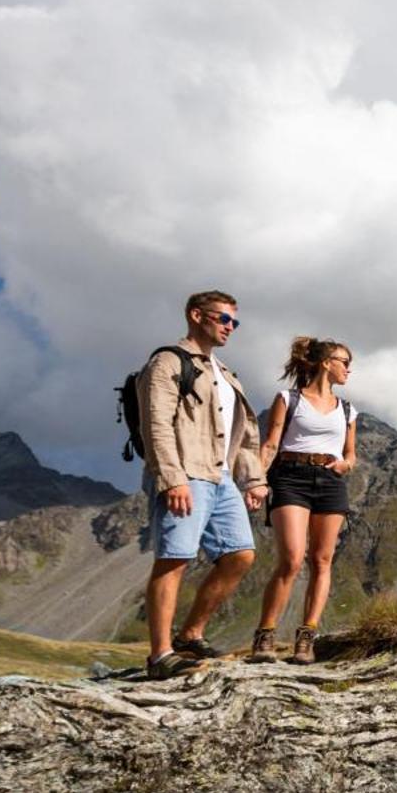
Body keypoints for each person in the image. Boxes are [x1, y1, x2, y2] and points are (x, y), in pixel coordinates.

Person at [136, 290, 268, 677]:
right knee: (175, 557)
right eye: (224, 319)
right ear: (197, 315)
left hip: (222, 476)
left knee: (240, 554)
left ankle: (191, 634)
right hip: (187, 472)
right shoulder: (167, 362)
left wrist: (254, 480)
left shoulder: (226, 374)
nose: (230, 327)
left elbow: (243, 435)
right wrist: (172, 478)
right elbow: (155, 424)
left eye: (234, 322)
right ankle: (160, 655)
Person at [248, 337, 358, 665]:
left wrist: (345, 464)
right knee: (292, 559)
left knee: (322, 561)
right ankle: (265, 635)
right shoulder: (288, 399)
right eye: (344, 362)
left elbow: (352, 454)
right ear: (326, 362)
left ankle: (306, 639)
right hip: (290, 477)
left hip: (330, 482)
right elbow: (270, 444)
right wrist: (256, 481)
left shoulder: (349, 409)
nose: (348, 370)